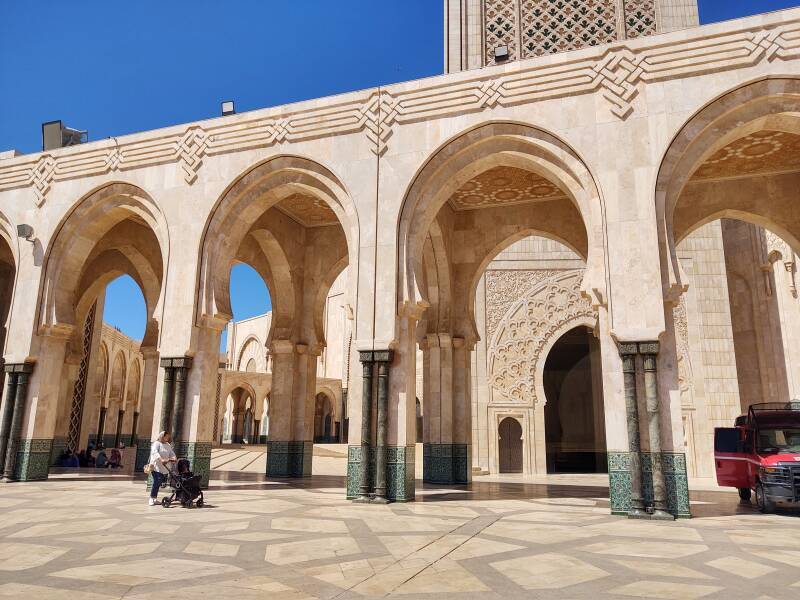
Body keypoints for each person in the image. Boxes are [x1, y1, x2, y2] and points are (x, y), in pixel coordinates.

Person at [148, 431, 176, 506]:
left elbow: (171, 452)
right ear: (162, 436)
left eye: (168, 437)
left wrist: (174, 457)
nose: (168, 438)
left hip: (164, 467)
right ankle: (151, 498)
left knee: (159, 482)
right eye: (166, 436)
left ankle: (154, 498)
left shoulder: (167, 445)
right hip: (156, 466)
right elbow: (155, 452)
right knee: (157, 481)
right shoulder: (156, 443)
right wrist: (161, 459)